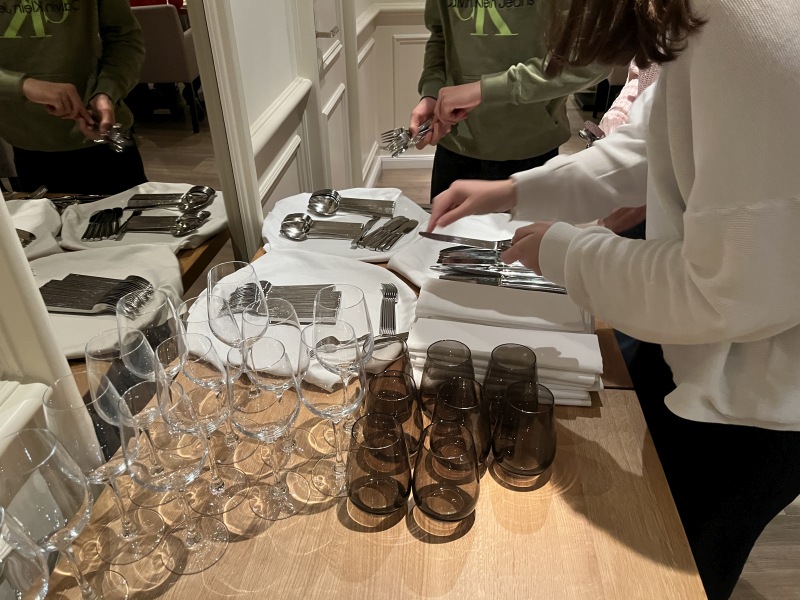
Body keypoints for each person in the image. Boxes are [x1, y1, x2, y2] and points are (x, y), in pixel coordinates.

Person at [426, 1, 800, 598]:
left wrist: (565, 252)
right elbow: (654, 147)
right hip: (713, 362)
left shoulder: (748, 24)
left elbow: (721, 290)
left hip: (759, 402)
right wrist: (514, 191)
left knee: (676, 571)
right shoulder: (711, 20)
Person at [409, 0, 607, 199]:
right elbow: (441, 35)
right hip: (456, 146)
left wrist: (485, 89)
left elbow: (592, 61)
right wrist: (432, 92)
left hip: (532, 149)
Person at [0, 0, 147, 194]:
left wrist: (107, 92)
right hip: (27, 140)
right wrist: (24, 86)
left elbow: (125, 38)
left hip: (105, 137)